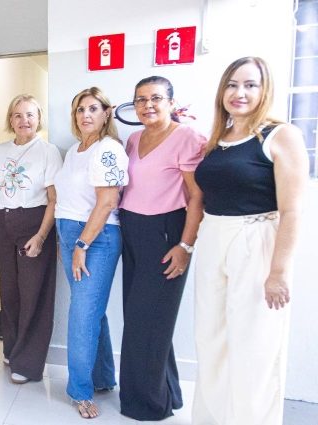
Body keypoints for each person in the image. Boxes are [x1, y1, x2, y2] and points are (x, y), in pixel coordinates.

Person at [192, 57, 308, 425]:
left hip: (256, 238)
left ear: (264, 90)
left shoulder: (280, 135)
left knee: (254, 343)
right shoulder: (218, 140)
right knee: (210, 338)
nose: (239, 93)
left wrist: (278, 272)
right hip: (213, 236)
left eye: (250, 84)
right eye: (232, 85)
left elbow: (292, 211)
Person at [118, 76, 206, 420]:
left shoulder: (187, 137)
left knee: (148, 322)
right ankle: (169, 393)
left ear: (171, 102)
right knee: (141, 317)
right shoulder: (134, 138)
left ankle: (148, 405)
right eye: (140, 100)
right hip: (133, 231)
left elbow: (197, 196)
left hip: (166, 234)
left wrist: (185, 245)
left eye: (155, 98)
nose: (148, 105)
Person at [55, 87, 127, 419]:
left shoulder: (108, 149)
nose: (86, 115)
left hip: (95, 239)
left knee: (82, 314)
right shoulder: (75, 150)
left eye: (93, 108)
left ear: (106, 112)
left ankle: (80, 391)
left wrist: (81, 245)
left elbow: (108, 202)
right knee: (91, 310)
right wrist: (65, 241)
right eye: (80, 109)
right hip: (70, 234)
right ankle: (103, 377)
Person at [0, 94, 62, 384]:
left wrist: (41, 236)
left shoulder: (48, 151)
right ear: (10, 119)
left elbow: (54, 199)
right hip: (4, 225)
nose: (24, 120)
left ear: (38, 118)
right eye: (18, 115)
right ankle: (12, 349)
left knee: (33, 295)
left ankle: (28, 364)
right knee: (9, 293)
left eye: (30, 114)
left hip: (34, 223)